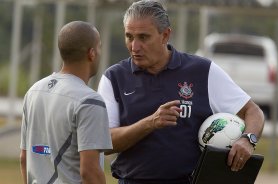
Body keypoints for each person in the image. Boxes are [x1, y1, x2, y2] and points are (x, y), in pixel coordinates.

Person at [98, 0, 264, 183]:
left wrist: (248, 139)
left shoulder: (203, 71)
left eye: (143, 37)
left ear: (165, 35)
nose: (134, 47)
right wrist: (150, 123)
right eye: (129, 37)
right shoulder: (113, 78)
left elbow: (253, 112)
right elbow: (104, 141)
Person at [20, 21, 112, 184]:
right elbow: (89, 171)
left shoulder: (33, 91)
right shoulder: (89, 101)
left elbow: (24, 158)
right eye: (99, 47)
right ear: (91, 53)